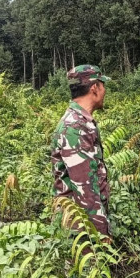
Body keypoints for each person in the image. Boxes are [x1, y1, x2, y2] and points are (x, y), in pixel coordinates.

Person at [51, 64, 112, 238]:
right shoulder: (75, 128)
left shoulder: (81, 122)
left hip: (83, 225)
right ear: (94, 88)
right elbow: (85, 190)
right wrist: (101, 235)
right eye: (103, 85)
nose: (104, 90)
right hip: (80, 231)